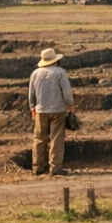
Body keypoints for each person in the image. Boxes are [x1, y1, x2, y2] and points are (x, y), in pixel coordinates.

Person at [29, 46, 75, 176]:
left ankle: (37, 167)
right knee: (56, 139)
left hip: (40, 110)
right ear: (55, 60)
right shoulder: (60, 72)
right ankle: (55, 168)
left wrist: (32, 107)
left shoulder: (35, 73)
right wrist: (70, 104)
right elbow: (66, 92)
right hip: (58, 110)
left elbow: (31, 94)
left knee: (39, 138)